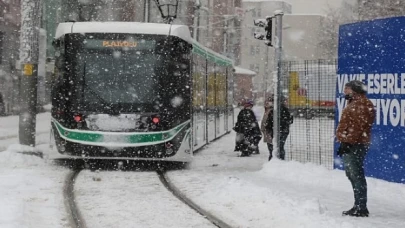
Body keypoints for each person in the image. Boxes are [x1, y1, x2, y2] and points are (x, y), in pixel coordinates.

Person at [336, 80, 375, 217]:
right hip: (352, 143)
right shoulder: (355, 103)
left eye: (347, 89)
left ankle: (361, 207)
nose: (345, 92)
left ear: (355, 90)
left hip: (355, 144)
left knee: (356, 174)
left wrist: (348, 142)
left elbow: (358, 127)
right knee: (351, 174)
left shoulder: (361, 104)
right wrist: (344, 141)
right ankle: (358, 205)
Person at [264, 95, 293, 161]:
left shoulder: (273, 110)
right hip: (282, 131)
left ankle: (274, 160)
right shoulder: (285, 110)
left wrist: (268, 128)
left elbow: (269, 122)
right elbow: (290, 120)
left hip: (275, 131)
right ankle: (280, 160)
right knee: (280, 146)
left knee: (273, 147)